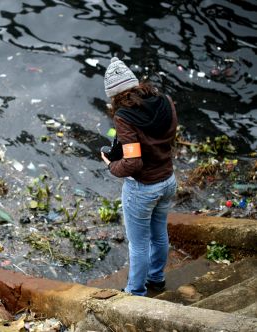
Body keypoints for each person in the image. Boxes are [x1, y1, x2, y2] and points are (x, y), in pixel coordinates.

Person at [100, 57, 178, 296]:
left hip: (143, 189)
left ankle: (135, 292)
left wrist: (111, 165)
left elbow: (133, 163)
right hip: (168, 180)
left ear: (114, 95)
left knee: (139, 244)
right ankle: (157, 279)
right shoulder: (165, 101)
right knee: (159, 234)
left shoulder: (124, 117)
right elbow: (168, 136)